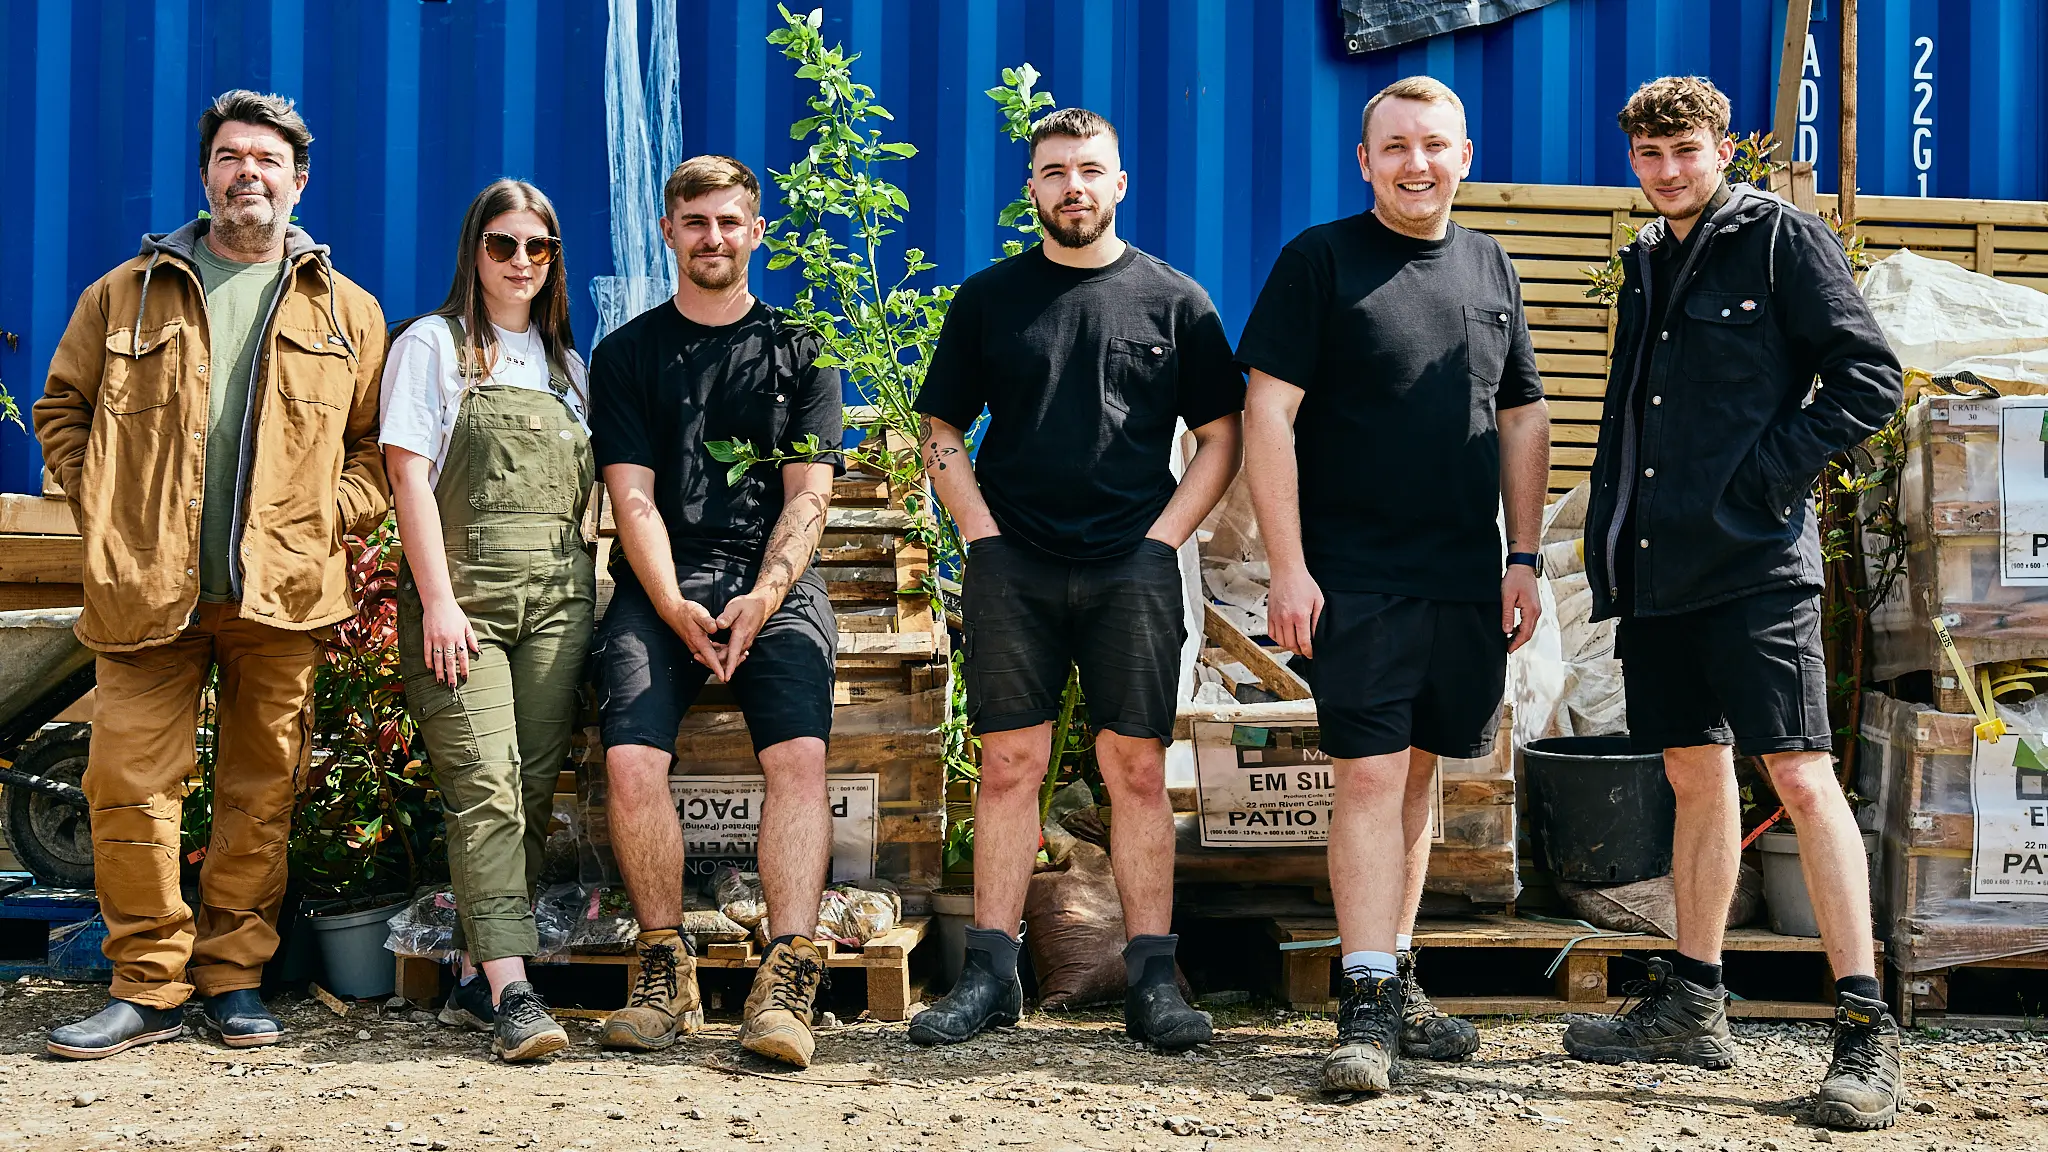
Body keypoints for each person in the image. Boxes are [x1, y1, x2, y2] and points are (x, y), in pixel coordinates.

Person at [1570, 76, 1905, 1131]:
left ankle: (1865, 1030)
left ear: (1723, 150)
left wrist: (1764, 480)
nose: (1667, 170)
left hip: (1755, 566)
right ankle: (1693, 1002)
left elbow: (1868, 378)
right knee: (1692, 773)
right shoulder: (1645, 259)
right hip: (1659, 571)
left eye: (1686, 151)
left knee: (1799, 775)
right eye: (1649, 154)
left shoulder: (1779, 241)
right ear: (1633, 161)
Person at [33, 90, 388, 1059]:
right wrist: (108, 504)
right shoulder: (125, 292)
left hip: (283, 596)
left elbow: (374, 451)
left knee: (259, 794)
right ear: (206, 177)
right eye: (231, 158)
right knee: (126, 787)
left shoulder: (348, 310)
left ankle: (234, 980)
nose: (248, 175)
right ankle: (147, 986)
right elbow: (61, 409)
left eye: (268, 161)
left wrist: (327, 518)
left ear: (298, 181)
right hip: (146, 593)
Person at [906, 108, 1245, 1052]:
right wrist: (981, 537)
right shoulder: (992, 299)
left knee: (1135, 770)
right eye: (1054, 172)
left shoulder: (1176, 302)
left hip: (1132, 566)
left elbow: (1222, 438)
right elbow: (941, 429)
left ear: (1119, 182)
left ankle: (1152, 981)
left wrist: (1161, 542)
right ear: (1032, 188)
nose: (1073, 187)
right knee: (1009, 767)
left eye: (1090, 169)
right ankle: (989, 976)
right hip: (1014, 566)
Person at [1238, 76, 1550, 1093]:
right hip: (1354, 575)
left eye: (1434, 145)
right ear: (1364, 161)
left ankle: (1396, 971)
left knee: (1418, 776)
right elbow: (1268, 416)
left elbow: (1521, 418)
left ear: (1465, 157)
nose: (1417, 163)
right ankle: (1363, 1001)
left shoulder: (1490, 264)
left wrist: (1521, 556)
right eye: (1397, 147)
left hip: (1463, 577)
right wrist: (1288, 566)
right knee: (1369, 776)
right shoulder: (1319, 260)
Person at [588, 156, 844, 1070]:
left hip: (775, 585)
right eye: (695, 222)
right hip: (662, 585)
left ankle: (788, 977)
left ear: (756, 231)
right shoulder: (628, 354)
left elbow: (807, 497)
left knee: (800, 756)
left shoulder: (801, 348)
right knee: (630, 759)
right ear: (669, 231)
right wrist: (673, 605)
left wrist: (762, 598)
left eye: (730, 221)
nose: (713, 238)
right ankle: (666, 975)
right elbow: (633, 499)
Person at [380, 180, 591, 1062]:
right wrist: (437, 601)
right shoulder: (432, 345)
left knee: (532, 793)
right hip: (464, 602)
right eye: (502, 244)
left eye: (538, 247)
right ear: (475, 250)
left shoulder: (568, 366)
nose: (520, 261)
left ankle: (475, 975)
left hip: (558, 602)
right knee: (486, 790)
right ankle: (515, 992)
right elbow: (407, 477)